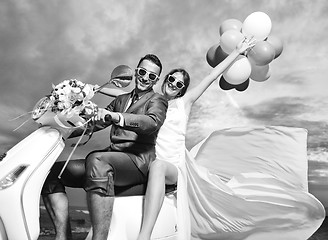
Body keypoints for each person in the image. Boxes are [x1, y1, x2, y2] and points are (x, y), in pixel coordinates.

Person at [99, 37, 325, 240]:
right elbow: (123, 96)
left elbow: (212, 76)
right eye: (171, 79)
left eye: (179, 84)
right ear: (164, 79)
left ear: (181, 91)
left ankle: (144, 236)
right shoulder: (151, 102)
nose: (174, 84)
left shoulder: (183, 104)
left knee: (158, 167)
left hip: (173, 167)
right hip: (149, 162)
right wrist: (93, 89)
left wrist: (237, 51)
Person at [41, 53, 168, 240]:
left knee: (97, 159)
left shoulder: (157, 100)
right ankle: (63, 236)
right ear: (135, 72)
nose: (145, 78)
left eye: (151, 76)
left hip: (138, 162)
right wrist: (60, 126)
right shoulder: (121, 100)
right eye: (142, 72)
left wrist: (118, 117)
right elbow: (93, 123)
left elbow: (151, 122)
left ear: (156, 80)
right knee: (50, 172)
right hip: (112, 158)